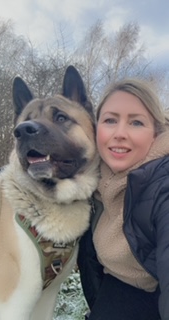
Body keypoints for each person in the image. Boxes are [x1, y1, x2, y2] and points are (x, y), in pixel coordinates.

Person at [77, 78, 169, 320]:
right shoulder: (93, 176)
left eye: (136, 122)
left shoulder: (162, 184)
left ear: (156, 133)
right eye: (110, 120)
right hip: (114, 289)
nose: (120, 133)